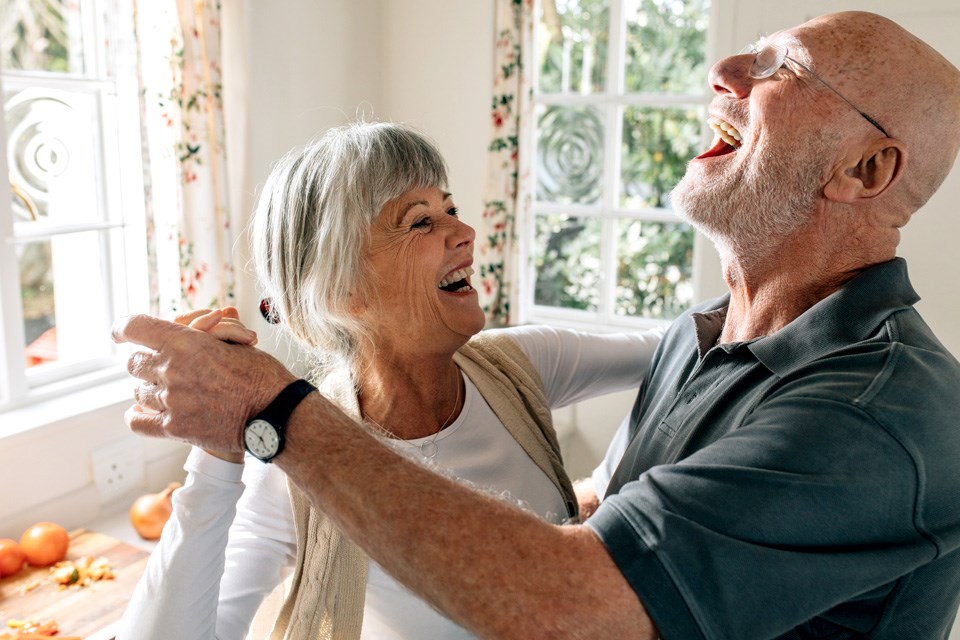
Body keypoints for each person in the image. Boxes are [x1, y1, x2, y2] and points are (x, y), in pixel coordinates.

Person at [114, 11, 960, 639]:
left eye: (785, 66)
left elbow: (574, 599)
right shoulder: (702, 338)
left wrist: (271, 416)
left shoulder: (876, 415)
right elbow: (626, 516)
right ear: (337, 290)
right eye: (418, 220)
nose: (725, 66)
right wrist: (228, 446)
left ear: (869, 168)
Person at [115, 122, 662, 640]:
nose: (466, 233)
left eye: (451, 209)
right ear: (340, 291)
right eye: (421, 221)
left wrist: (615, 487)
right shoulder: (291, 461)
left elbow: (689, 352)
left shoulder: (521, 364)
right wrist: (215, 452)